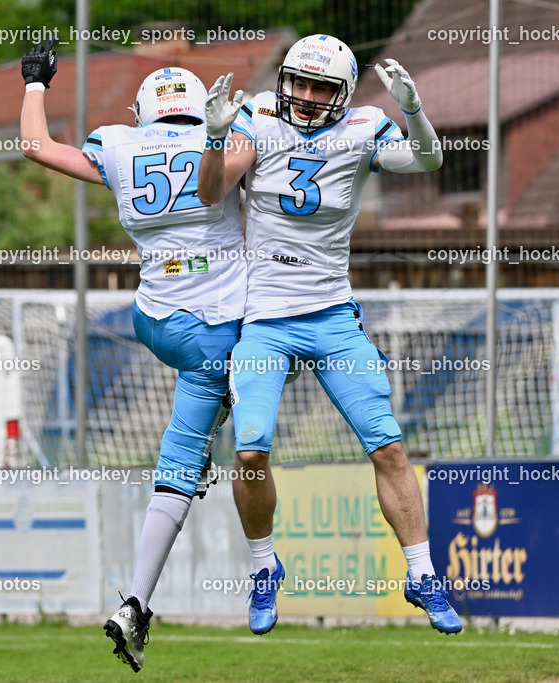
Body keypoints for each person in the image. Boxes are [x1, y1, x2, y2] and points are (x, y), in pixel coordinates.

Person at [197, 34, 462, 636]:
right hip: (264, 318)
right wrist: (214, 137)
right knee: (250, 449)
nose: (307, 96)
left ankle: (421, 574)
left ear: (343, 95)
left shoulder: (366, 126)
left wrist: (415, 114)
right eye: (300, 82)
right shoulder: (258, 116)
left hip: (331, 315)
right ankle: (265, 567)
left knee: (388, 446)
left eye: (322, 87)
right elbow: (211, 191)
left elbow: (428, 161)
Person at [19, 43, 246, 671]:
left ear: (143, 111)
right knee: (263, 353)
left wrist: (37, 84)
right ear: (202, 111)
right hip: (217, 325)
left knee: (186, 445)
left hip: (152, 317)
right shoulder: (228, 136)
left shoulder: (121, 144)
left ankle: (136, 603)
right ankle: (258, 551)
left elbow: (37, 148)